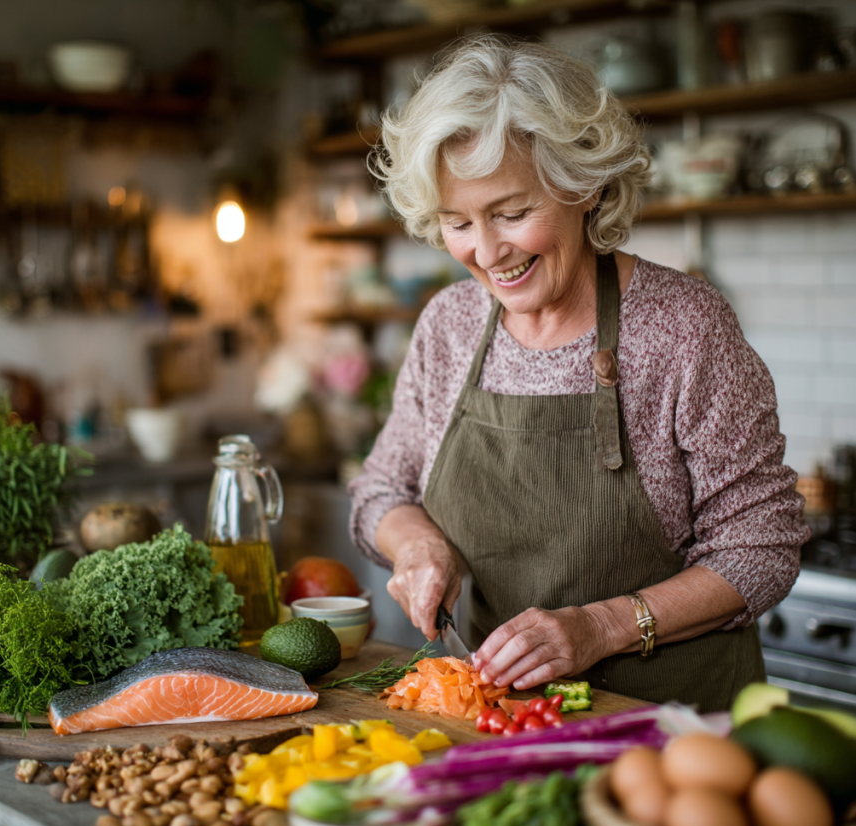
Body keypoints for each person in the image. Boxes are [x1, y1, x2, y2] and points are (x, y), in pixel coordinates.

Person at [347, 35, 809, 712]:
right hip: (508, 721)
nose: (486, 251)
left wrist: (597, 627)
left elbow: (760, 545)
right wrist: (418, 546)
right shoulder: (447, 325)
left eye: (511, 213)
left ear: (582, 185)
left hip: (674, 730)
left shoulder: (681, 326)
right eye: (457, 222)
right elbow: (380, 488)